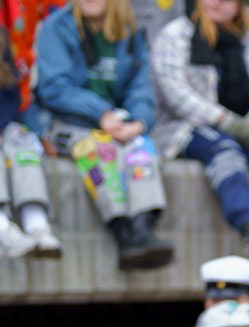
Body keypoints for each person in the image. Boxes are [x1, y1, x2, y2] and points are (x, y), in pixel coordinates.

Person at [152, 0, 249, 282]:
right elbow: (174, 92)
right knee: (224, 149)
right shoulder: (176, 35)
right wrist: (223, 119)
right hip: (191, 126)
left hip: (248, 125)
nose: (215, 3)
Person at [30, 0, 175, 270]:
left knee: (141, 147)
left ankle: (143, 227)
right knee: (100, 151)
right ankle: (123, 231)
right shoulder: (57, 27)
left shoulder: (129, 29)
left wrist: (139, 121)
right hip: (70, 123)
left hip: (117, 122)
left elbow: (140, 86)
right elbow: (54, 88)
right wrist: (101, 114)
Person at [0, 34, 59, 258]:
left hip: (5, 123)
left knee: (24, 142)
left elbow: (10, 96)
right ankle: (2, 228)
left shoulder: (2, 39)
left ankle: (36, 224)